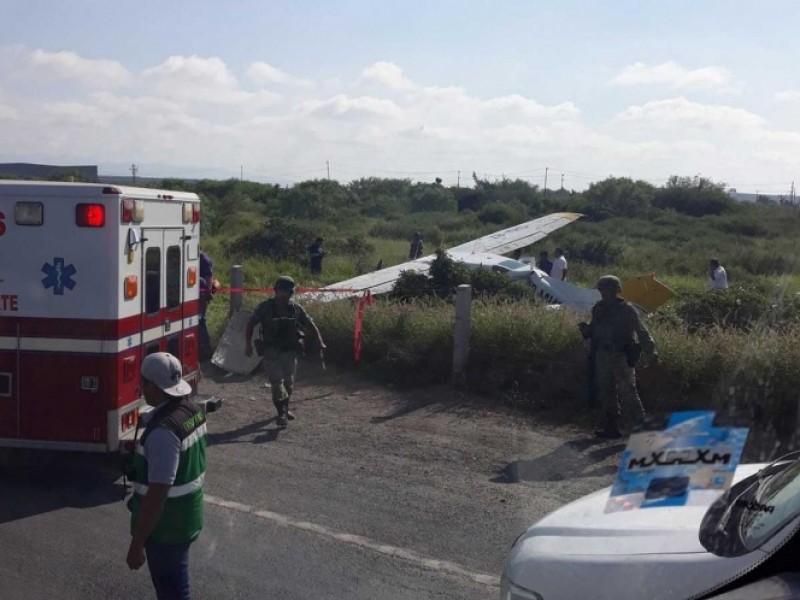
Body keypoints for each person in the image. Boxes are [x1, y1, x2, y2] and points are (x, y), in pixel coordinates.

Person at [126, 352, 207, 600]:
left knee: (172, 592)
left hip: (166, 528)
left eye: (144, 382)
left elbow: (158, 493)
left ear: (154, 386)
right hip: (186, 516)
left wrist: (137, 544)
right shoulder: (192, 410)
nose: (141, 387)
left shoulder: (163, 432)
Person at [578, 275, 658, 439]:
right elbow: (595, 328)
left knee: (629, 393)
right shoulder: (598, 308)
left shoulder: (627, 309)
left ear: (615, 290)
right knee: (607, 392)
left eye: (606, 289)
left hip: (621, 355)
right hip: (602, 355)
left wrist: (652, 352)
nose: (603, 292)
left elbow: (642, 332)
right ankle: (612, 427)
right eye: (601, 289)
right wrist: (587, 331)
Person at [244, 276, 325, 428]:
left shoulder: (295, 309)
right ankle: (281, 414)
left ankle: (284, 408)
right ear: (276, 291)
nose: (282, 294)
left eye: (286, 291)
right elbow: (251, 323)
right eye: (280, 290)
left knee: (289, 384)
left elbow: (309, 323)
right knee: (277, 382)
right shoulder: (266, 308)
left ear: (290, 293)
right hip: (271, 351)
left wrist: (320, 341)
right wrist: (248, 344)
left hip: (289, 351)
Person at [198, 248, 216, 360]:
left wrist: (207, 294)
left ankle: (205, 349)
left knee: (200, 319)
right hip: (195, 294)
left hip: (201, 295)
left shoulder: (204, 259)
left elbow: (209, 278)